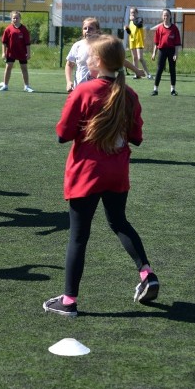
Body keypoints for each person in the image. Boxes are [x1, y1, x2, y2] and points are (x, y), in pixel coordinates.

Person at [44, 34, 158, 317]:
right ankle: (147, 273)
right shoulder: (129, 94)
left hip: (87, 173)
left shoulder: (85, 91)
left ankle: (69, 301)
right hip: (117, 172)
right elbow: (137, 138)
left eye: (89, 56)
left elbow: (62, 134)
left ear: (97, 61)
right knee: (119, 222)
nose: (86, 60)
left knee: (79, 237)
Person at [66, 17, 144, 92]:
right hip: (79, 88)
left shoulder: (103, 45)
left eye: (91, 28)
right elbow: (69, 65)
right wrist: (69, 81)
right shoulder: (77, 45)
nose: (87, 31)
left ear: (97, 30)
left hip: (99, 89)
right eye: (85, 28)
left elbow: (119, 59)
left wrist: (136, 70)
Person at [0, 10, 34, 93]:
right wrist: (3, 52)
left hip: (22, 52)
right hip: (11, 52)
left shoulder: (24, 29)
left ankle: (26, 86)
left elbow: (27, 43)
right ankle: (5, 85)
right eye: (13, 18)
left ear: (20, 18)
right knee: (8, 67)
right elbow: (4, 42)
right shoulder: (8, 29)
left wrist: (28, 53)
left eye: (17, 18)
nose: (15, 19)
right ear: (11, 19)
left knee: (24, 68)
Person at [150, 8, 181, 96]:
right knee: (159, 69)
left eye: (167, 15)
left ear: (170, 16)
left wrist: (176, 54)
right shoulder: (159, 28)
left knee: (172, 70)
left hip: (171, 51)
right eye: (164, 15)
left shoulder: (174, 28)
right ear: (162, 16)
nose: (165, 17)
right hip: (162, 51)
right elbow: (156, 43)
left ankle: (173, 90)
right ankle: (155, 89)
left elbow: (177, 43)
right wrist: (154, 53)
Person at [125, 7, 153, 79]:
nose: (132, 14)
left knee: (140, 58)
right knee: (134, 58)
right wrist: (127, 29)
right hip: (132, 40)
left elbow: (139, 25)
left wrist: (133, 19)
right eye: (131, 12)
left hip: (139, 40)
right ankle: (137, 74)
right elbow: (130, 32)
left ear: (137, 13)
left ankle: (148, 74)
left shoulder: (139, 19)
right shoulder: (131, 22)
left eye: (134, 12)